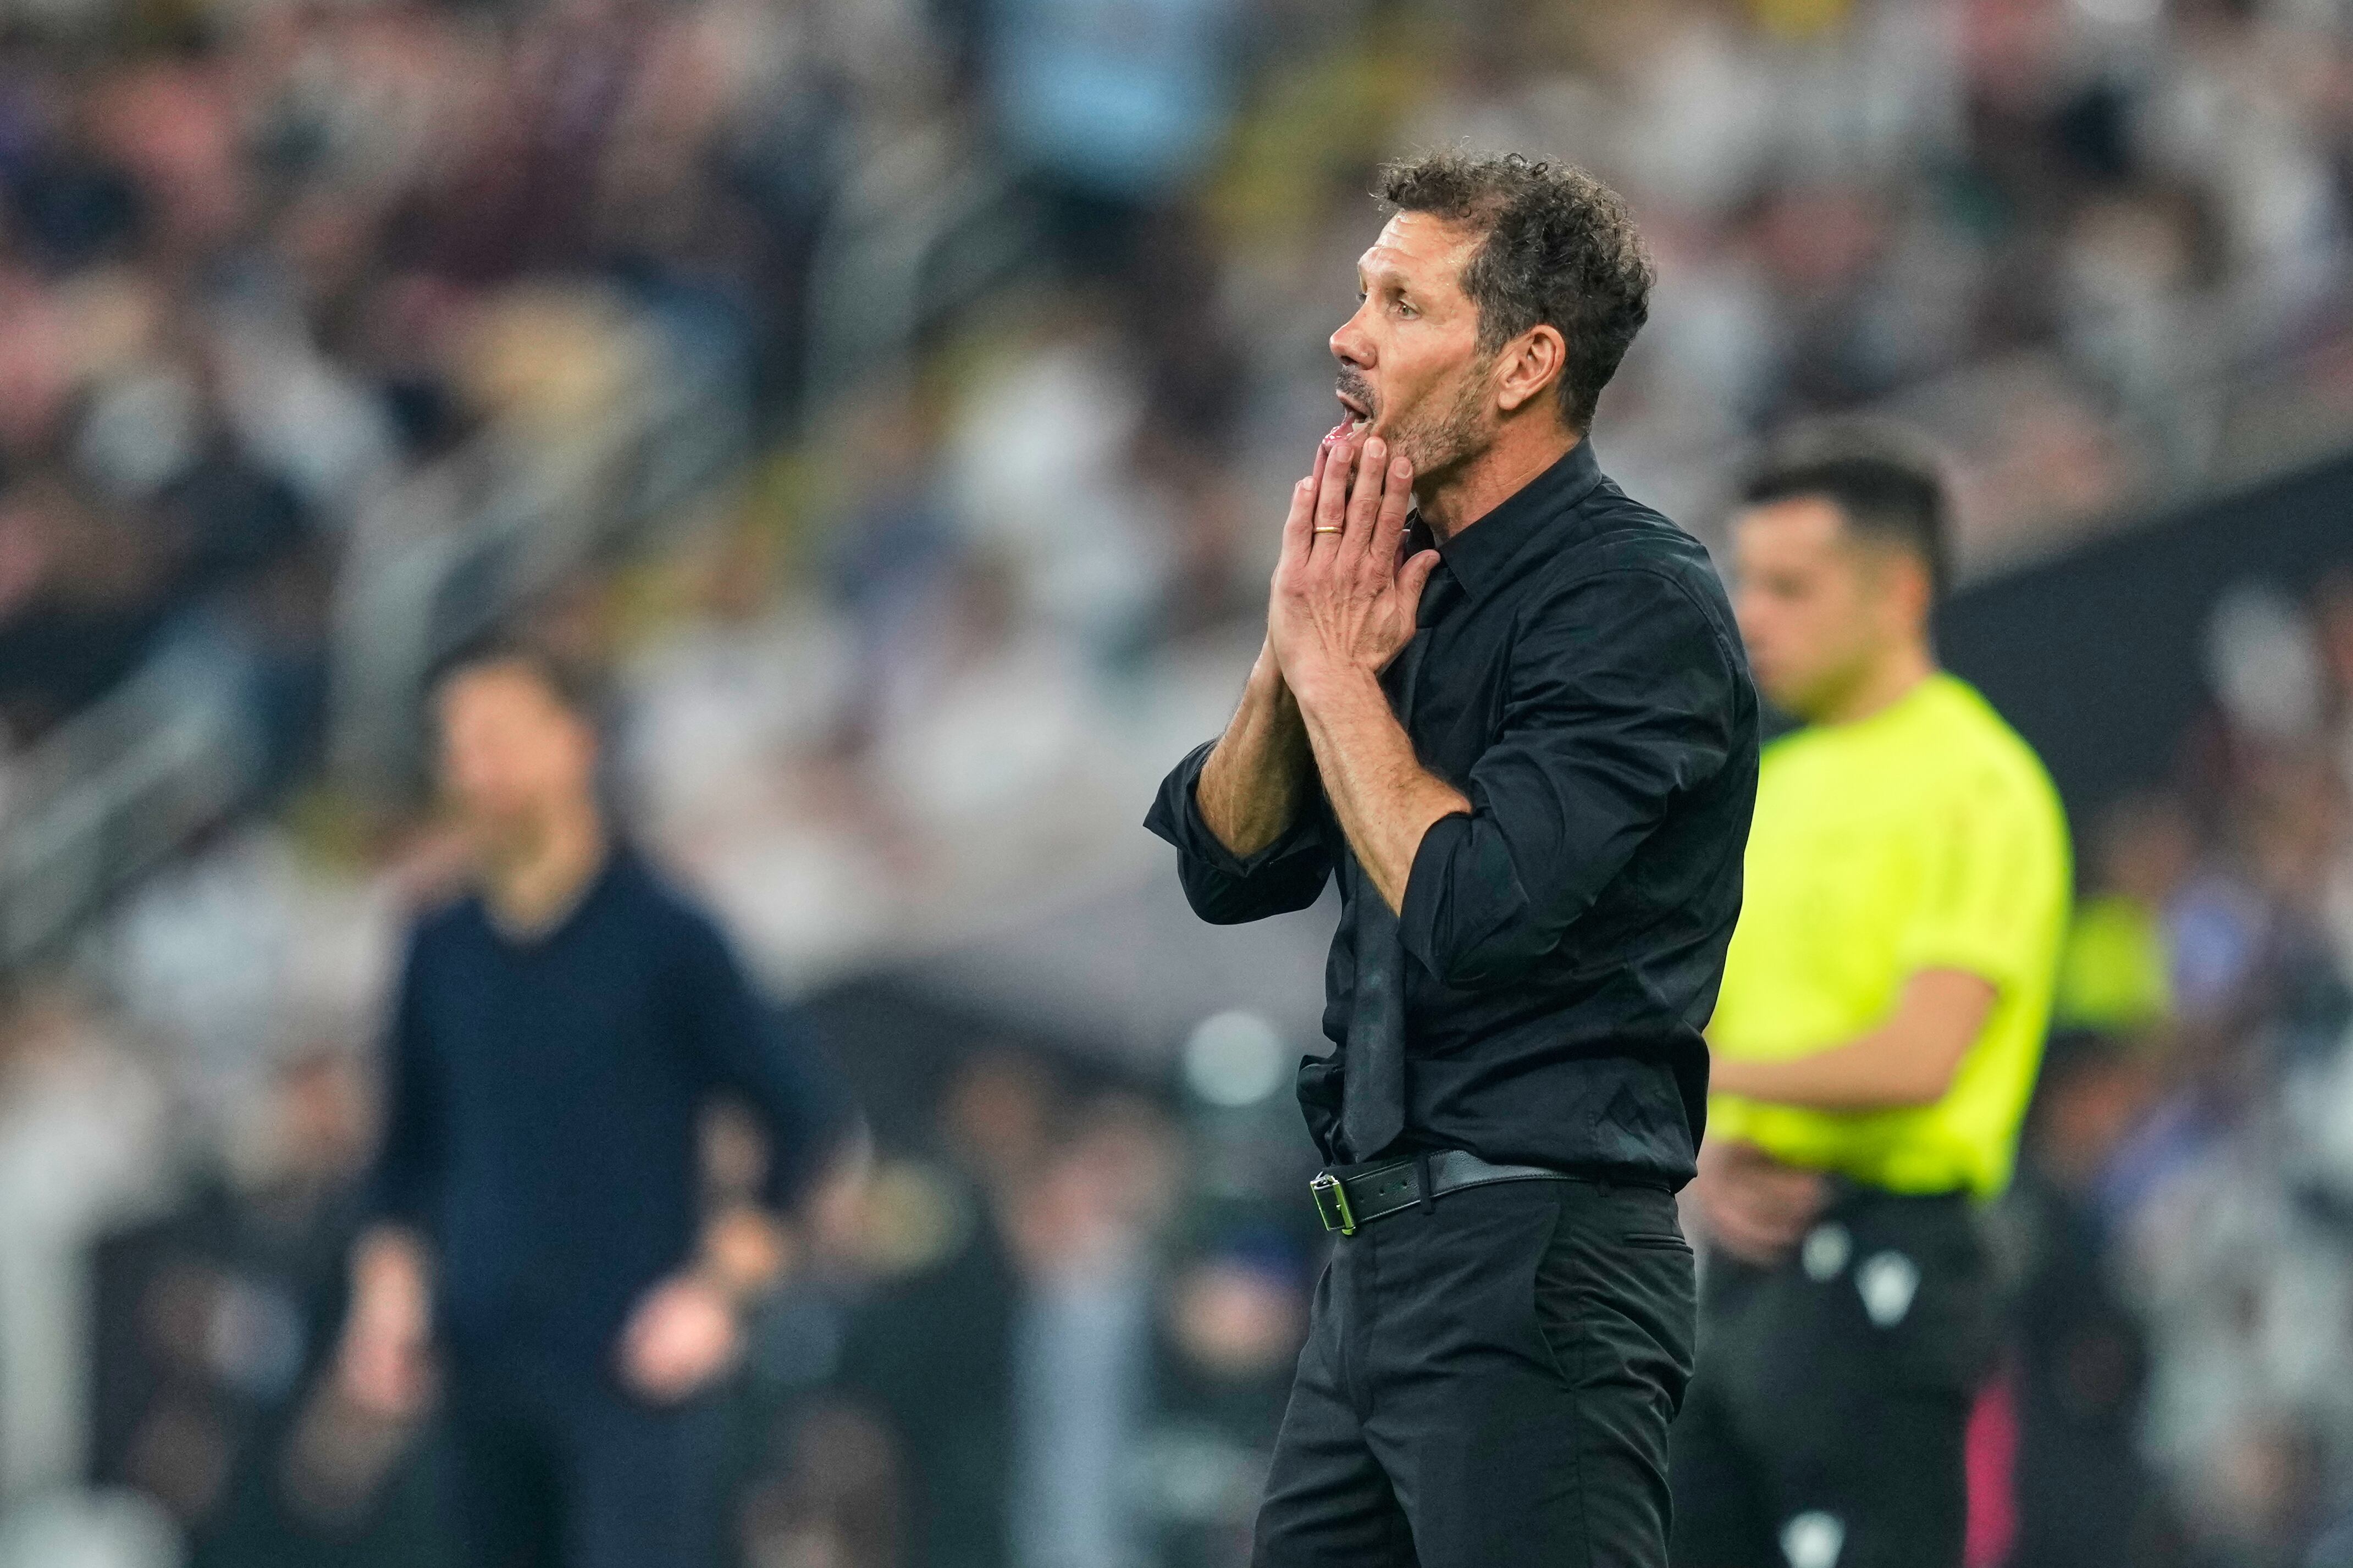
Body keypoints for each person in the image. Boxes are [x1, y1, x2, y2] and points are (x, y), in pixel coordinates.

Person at [1146, 150, 1759, 1567]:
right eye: (1362, 291)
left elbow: (1471, 906)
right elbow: (1227, 863)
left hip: (1540, 1267)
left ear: (1522, 362)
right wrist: (1288, 648)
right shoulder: (1385, 571)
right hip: (1371, 1265)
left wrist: (1338, 680)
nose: (1344, 336)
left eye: (1399, 303)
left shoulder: (1635, 604)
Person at [334, 641, 853, 1568]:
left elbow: (803, 1124)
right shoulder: (438, 945)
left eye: (494, 737)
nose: (471, 767)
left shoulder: (665, 934)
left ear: (573, 743)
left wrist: (717, 1294)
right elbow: (405, 1154)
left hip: (628, 1366)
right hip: (479, 1359)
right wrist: (386, 1298)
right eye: (454, 746)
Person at [1674, 426, 2072, 1568]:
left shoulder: (1977, 782)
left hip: (1889, 1265)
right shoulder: (1770, 788)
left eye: (1790, 586)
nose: (1751, 614)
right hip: (1741, 1270)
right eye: (1745, 580)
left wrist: (1705, 1082)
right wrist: (1704, 1150)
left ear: (1898, 590)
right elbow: (1691, 1025)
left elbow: (1920, 1054)